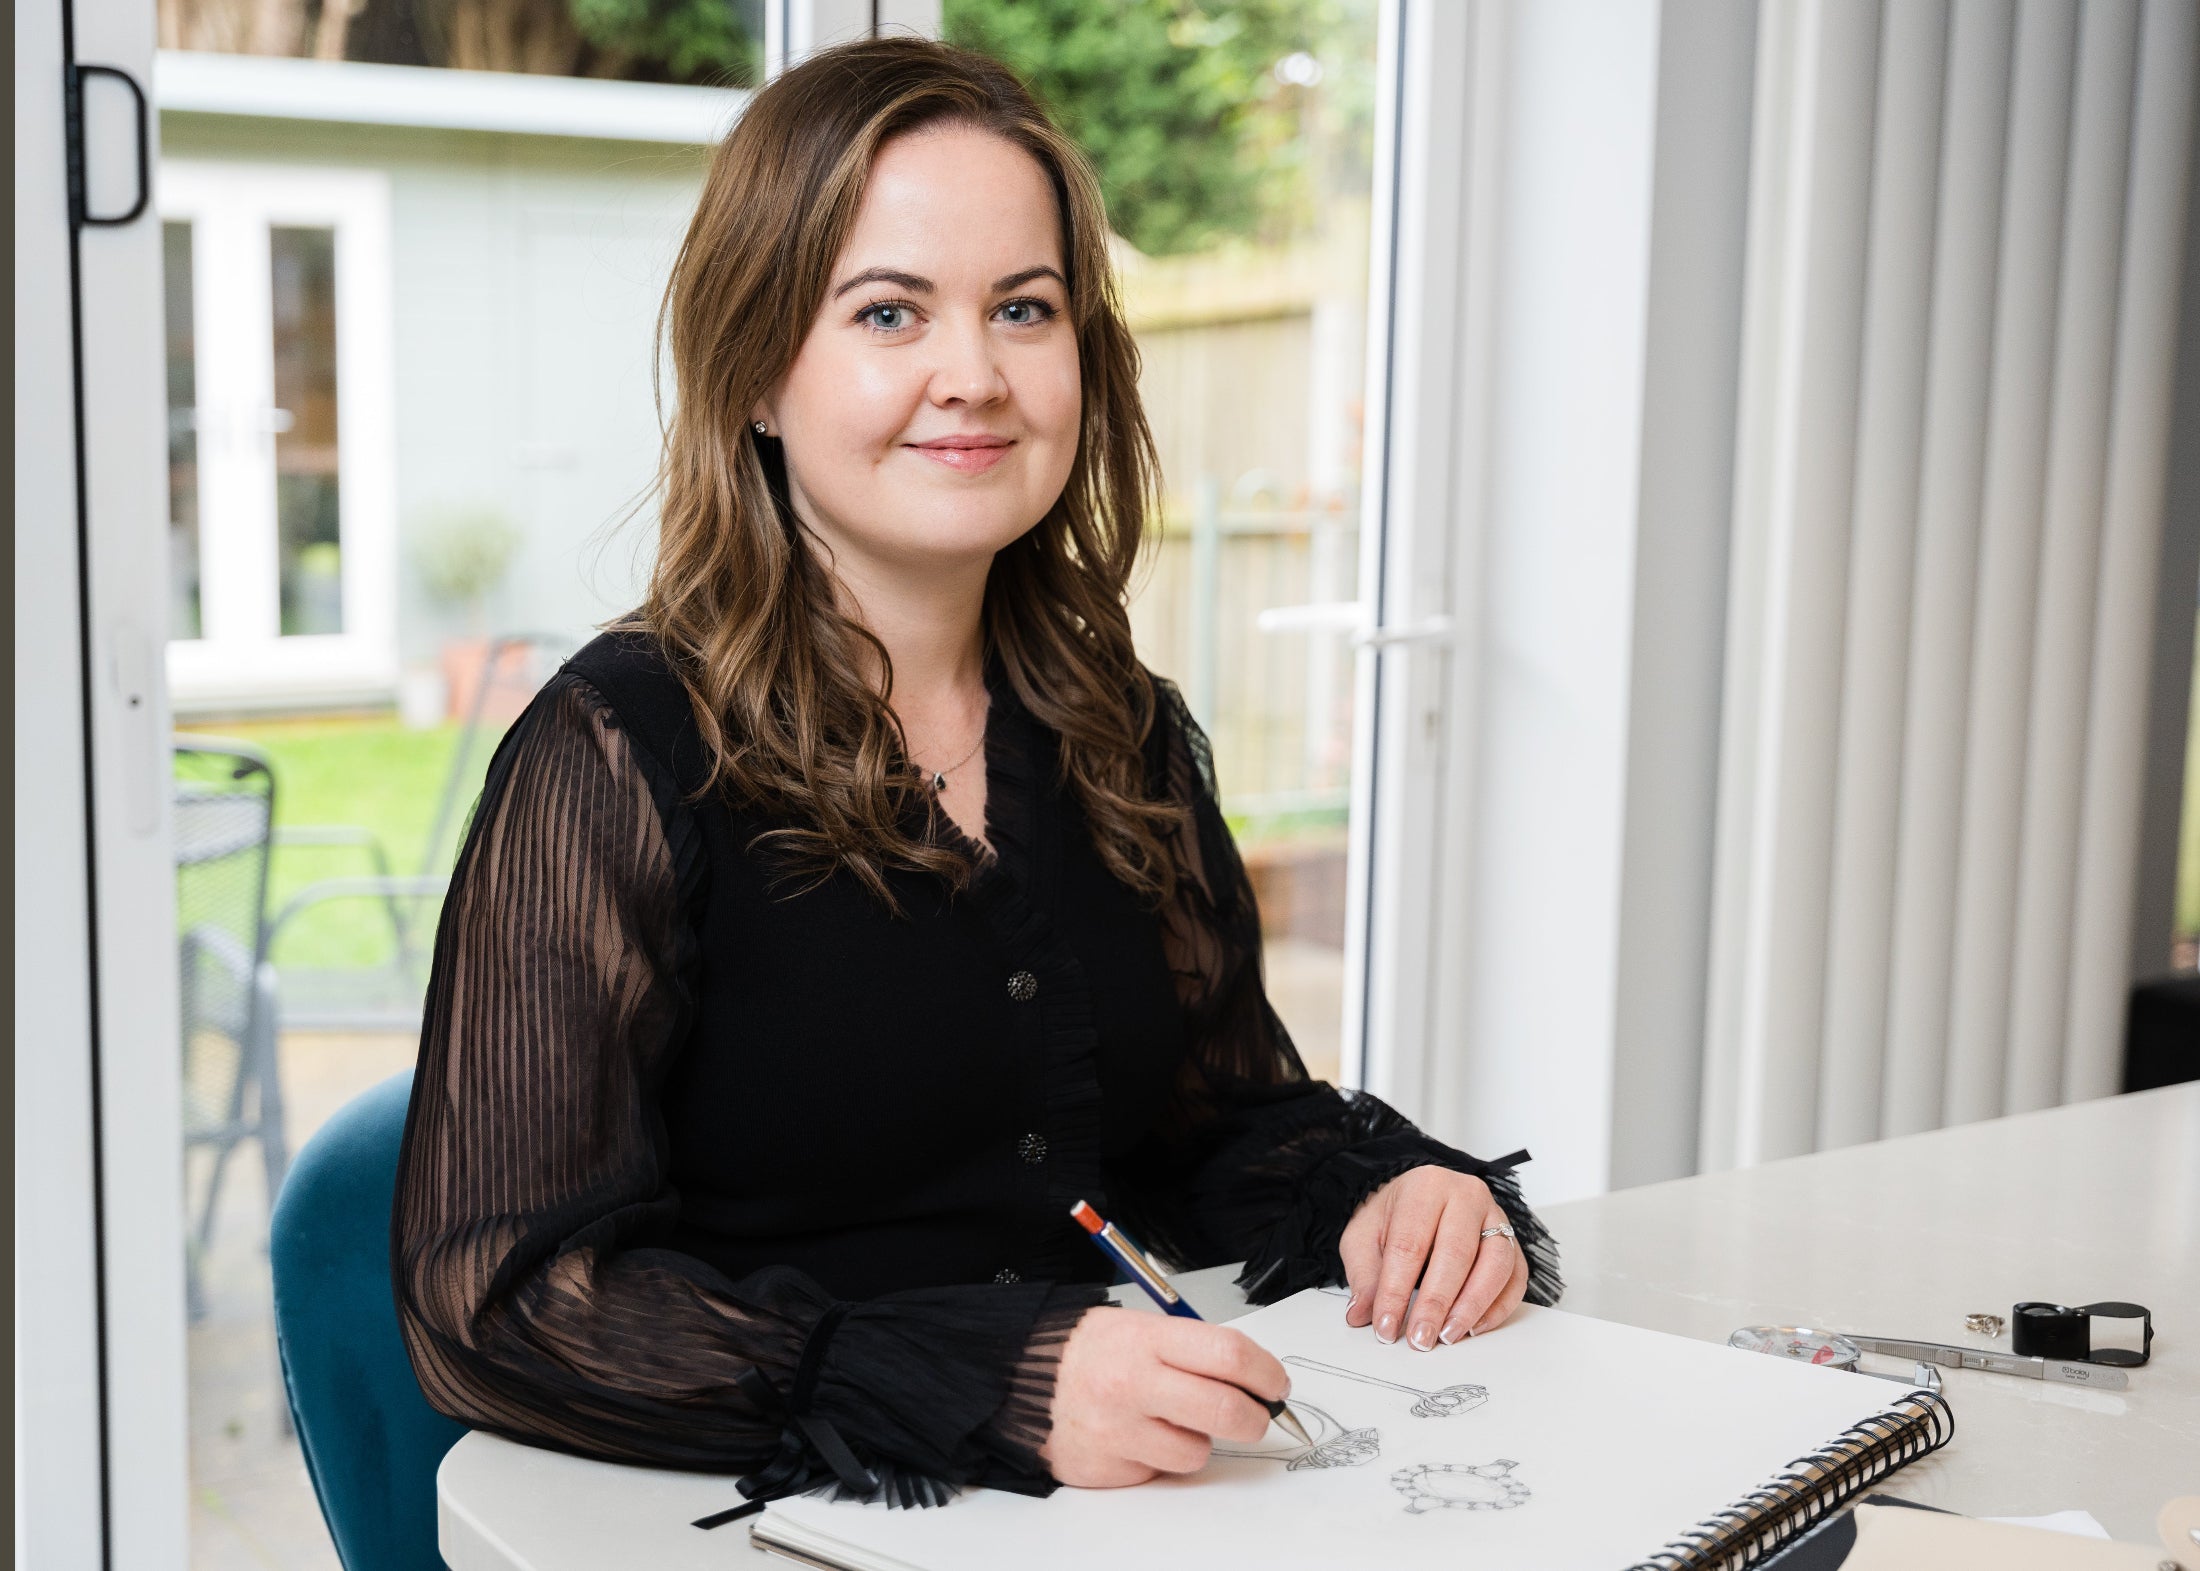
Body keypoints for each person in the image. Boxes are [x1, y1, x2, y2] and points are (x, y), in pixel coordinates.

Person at [391, 35, 1558, 1507]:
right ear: (756, 368)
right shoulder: (612, 753)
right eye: (890, 312)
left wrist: (1391, 1195)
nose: (976, 377)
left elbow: (1217, 1124)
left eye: (1025, 308)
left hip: (1138, 1510)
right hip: (769, 1524)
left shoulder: (1119, 730)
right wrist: (977, 1385)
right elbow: (499, 1304)